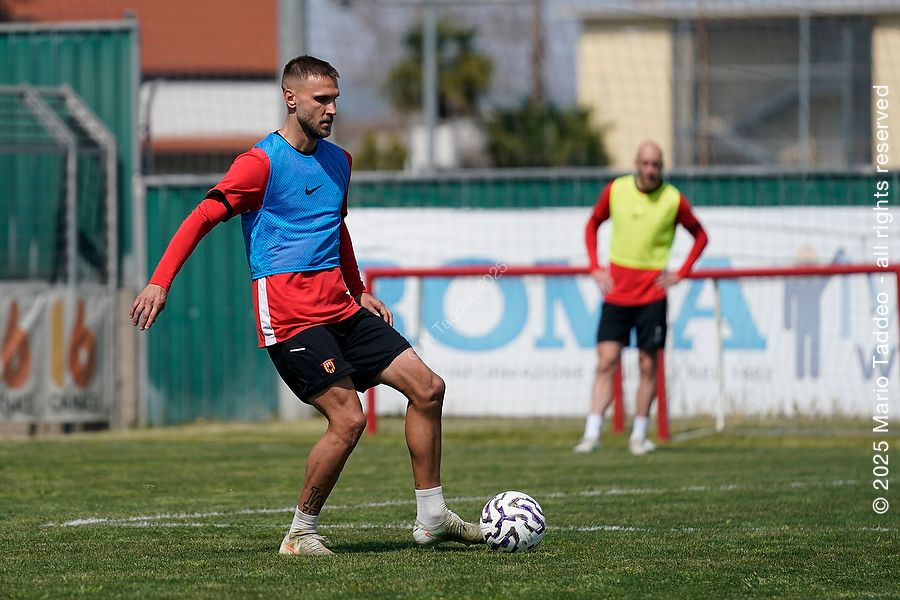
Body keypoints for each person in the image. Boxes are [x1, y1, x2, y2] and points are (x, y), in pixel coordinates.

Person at [130, 56, 482, 556]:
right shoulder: (259, 163)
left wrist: (358, 289)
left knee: (428, 388)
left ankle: (432, 517)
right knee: (349, 419)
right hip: (291, 316)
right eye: (322, 99)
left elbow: (335, 228)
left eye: (335, 99)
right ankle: (300, 532)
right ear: (290, 98)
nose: (331, 109)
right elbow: (202, 216)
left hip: (342, 307)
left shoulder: (340, 161)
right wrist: (159, 282)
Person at [574, 141, 708, 455]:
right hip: (617, 293)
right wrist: (595, 266)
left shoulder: (673, 199)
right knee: (606, 360)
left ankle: (639, 434)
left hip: (652, 295)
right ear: (636, 163)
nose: (650, 170)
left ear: (662, 167)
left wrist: (681, 272)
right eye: (645, 164)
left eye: (656, 165)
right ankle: (592, 433)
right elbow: (592, 224)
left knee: (648, 365)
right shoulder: (616, 190)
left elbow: (701, 236)